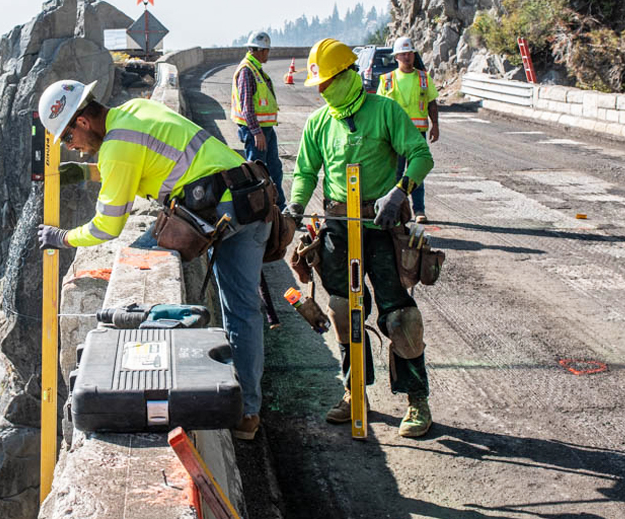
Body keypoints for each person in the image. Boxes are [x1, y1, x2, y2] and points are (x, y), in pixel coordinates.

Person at [35, 79, 272, 440]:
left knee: (142, 261)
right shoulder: (135, 110)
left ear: (82, 122)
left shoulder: (114, 147)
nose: (75, 149)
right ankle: (247, 414)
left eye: (69, 139)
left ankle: (154, 381)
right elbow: (144, 160)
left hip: (214, 208)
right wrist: (86, 172)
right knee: (243, 310)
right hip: (252, 197)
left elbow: (107, 226)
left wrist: (62, 237)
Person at [284, 38, 436, 438]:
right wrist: (295, 208)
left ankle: (417, 399)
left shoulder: (385, 111)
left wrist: (400, 191)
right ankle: (355, 394)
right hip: (337, 229)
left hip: (382, 230)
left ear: (348, 75)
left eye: (327, 81)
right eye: (318, 84)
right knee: (343, 311)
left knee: (401, 318)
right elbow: (304, 173)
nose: (321, 89)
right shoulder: (319, 123)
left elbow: (421, 155)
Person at [375, 36, 439, 223]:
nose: (407, 57)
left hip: (417, 134)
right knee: (394, 174)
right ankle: (393, 209)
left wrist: (435, 125)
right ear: (396, 57)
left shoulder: (423, 78)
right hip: (394, 135)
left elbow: (431, 103)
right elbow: (380, 109)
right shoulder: (387, 80)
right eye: (403, 54)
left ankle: (419, 210)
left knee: (415, 173)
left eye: (409, 53)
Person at [232, 30, 286, 210]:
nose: (268, 54)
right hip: (256, 132)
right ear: (260, 50)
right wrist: (257, 132)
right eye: (267, 50)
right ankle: (256, 211)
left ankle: (279, 207)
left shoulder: (256, 69)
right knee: (256, 174)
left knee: (274, 169)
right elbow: (247, 106)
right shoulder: (247, 71)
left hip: (266, 129)